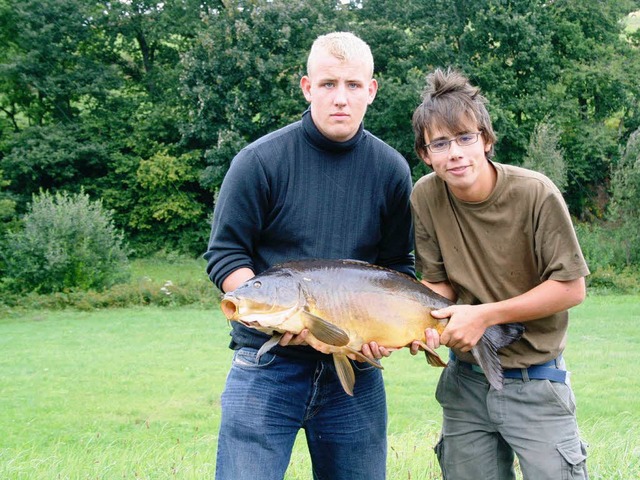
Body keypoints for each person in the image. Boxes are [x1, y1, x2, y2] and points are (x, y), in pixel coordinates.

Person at [204, 32, 415, 480]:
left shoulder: (392, 170)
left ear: (372, 90)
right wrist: (272, 312)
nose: (341, 98)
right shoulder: (259, 161)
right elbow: (225, 254)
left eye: (353, 85)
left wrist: (377, 334)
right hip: (266, 365)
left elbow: (398, 269)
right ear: (306, 87)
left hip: (354, 374)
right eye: (328, 84)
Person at [408, 68, 590, 480]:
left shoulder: (535, 193)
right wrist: (406, 321)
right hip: (466, 383)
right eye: (440, 143)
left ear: (486, 140)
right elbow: (439, 285)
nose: (454, 153)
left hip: (536, 380)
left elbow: (570, 288)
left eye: (465, 138)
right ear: (425, 154)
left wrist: (484, 315)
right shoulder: (425, 195)